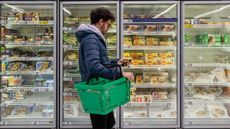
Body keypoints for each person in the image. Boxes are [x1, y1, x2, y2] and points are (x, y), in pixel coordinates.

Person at [76, 7, 134, 129]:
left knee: (109, 123)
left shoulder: (94, 38)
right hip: (95, 89)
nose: (108, 28)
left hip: (100, 87)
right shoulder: (91, 39)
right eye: (108, 24)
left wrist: (117, 62)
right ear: (101, 22)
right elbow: (94, 67)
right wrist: (119, 73)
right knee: (101, 125)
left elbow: (100, 62)